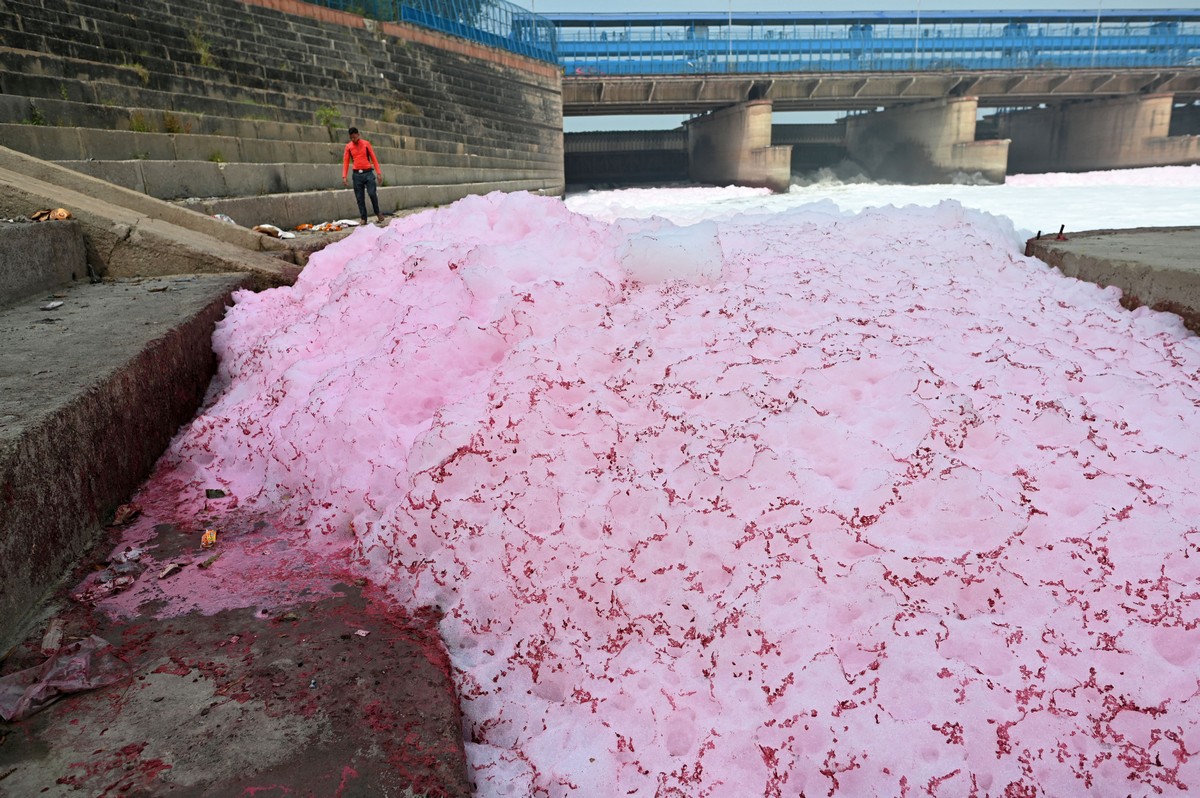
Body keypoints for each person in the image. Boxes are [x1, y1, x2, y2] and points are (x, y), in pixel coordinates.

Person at [342, 127, 385, 224]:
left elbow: (374, 158)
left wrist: (378, 173)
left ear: (358, 134)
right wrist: (344, 176)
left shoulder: (366, 144)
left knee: (372, 193)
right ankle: (363, 218)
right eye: (351, 138)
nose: (353, 139)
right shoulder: (348, 147)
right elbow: (346, 162)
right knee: (359, 198)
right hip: (357, 175)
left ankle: (378, 212)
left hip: (368, 173)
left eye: (354, 137)